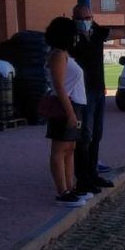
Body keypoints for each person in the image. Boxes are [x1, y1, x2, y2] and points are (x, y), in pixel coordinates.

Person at [44, 16, 88, 207]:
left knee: (70, 149)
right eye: (74, 34)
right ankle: (62, 191)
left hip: (76, 105)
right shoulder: (58, 55)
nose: (76, 37)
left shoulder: (65, 54)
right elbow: (59, 86)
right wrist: (69, 113)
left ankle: (70, 188)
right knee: (60, 149)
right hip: (65, 106)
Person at [71, 4, 114, 195]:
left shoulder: (96, 33)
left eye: (89, 18)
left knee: (96, 135)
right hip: (83, 92)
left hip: (98, 90)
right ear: (74, 18)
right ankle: (83, 179)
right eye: (82, 18)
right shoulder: (72, 38)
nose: (86, 21)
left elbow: (117, 31)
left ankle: (93, 173)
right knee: (84, 137)